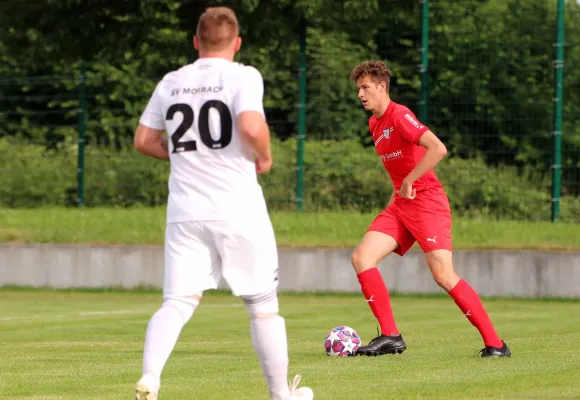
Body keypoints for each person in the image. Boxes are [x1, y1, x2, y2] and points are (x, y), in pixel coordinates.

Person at [132, 7, 314, 400]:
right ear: (237, 43)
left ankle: (151, 376)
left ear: (196, 42)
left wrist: (186, 154)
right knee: (263, 305)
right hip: (237, 209)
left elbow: (144, 140)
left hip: (184, 213)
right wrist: (264, 155)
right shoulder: (243, 75)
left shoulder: (171, 82)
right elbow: (250, 126)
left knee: (177, 303)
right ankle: (281, 395)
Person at [348, 60, 511, 358]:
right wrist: (395, 198)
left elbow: (438, 148)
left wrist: (410, 181)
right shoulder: (374, 124)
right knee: (362, 257)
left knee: (443, 275)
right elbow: (398, 172)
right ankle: (390, 336)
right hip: (400, 205)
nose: (360, 94)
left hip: (426, 203)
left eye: (365, 87)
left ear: (382, 87)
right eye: (358, 88)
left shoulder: (400, 115)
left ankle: (496, 344)